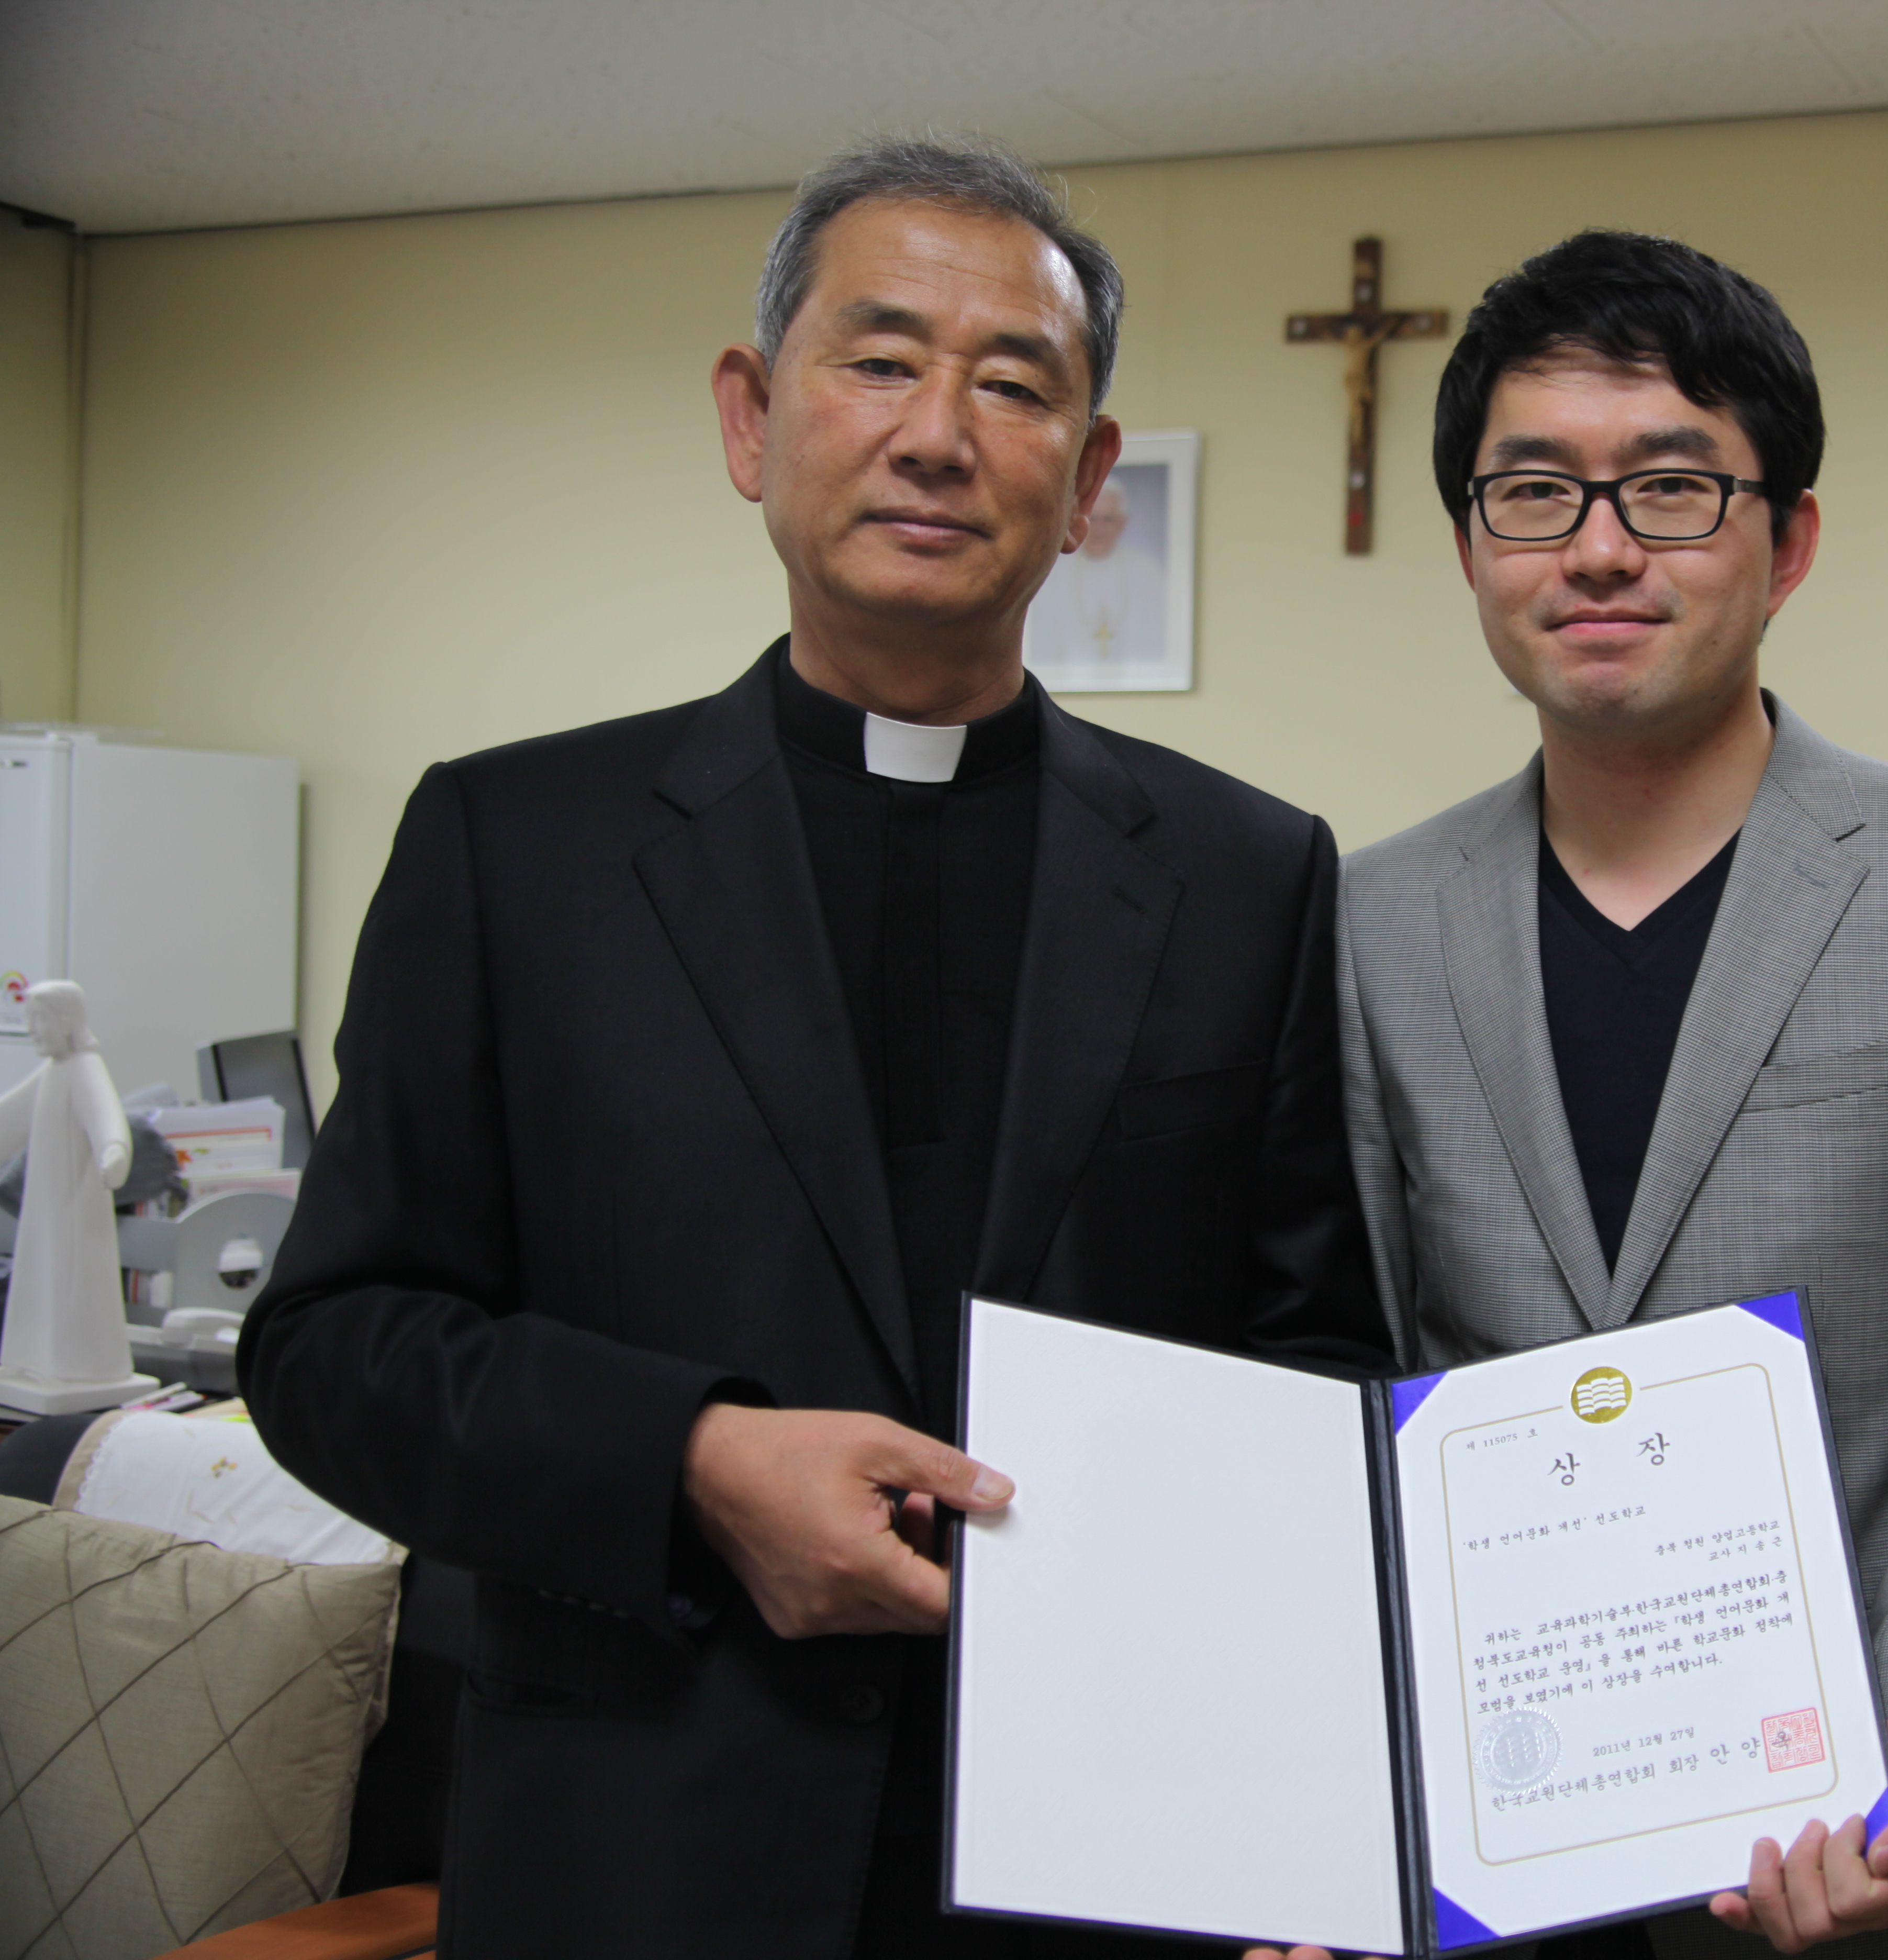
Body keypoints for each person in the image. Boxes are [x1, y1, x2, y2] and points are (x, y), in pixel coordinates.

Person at [241, 136, 1380, 1958]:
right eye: (880, 359)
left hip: (1104, 1863)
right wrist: (689, 1459)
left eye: (1013, 385)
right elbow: (331, 1344)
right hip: (640, 1856)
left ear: (1089, 481)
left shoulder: (1248, 875)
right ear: (750, 419)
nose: (938, 433)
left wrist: (1303, 1804)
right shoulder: (514, 847)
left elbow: (1308, 1360)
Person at [1327, 233, 1888, 1960]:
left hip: (1839, 1841)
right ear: (1471, 548)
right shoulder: (1369, 920)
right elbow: (1361, 1363)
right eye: (1533, 492)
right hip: (1488, 1846)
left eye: (1672, 487)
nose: (1599, 547)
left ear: (1790, 542)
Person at [1024, 476, 1167, 677]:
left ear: (1123, 523)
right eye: (1092, 519)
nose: (1099, 529)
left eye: (1108, 519)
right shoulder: (1052, 572)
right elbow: (1042, 643)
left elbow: (1157, 642)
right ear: (1076, 522)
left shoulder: (1148, 571)